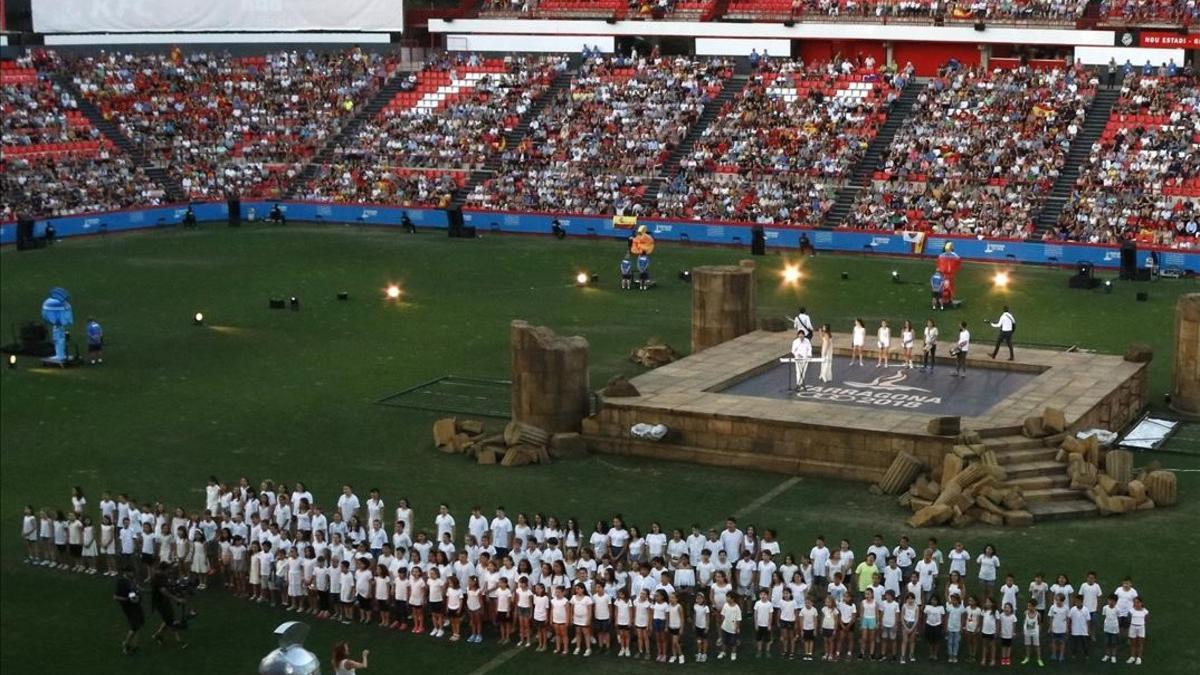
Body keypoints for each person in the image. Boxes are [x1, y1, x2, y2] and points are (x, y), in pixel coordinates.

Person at [150, 563, 188, 648]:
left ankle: (158, 635)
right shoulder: (158, 578)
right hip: (160, 602)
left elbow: (168, 587)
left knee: (168, 619)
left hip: (164, 601)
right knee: (171, 621)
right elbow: (164, 591)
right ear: (164, 569)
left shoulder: (163, 576)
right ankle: (179, 641)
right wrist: (177, 599)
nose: (169, 571)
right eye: (168, 569)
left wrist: (177, 593)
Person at [114, 566, 145, 655]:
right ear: (126, 572)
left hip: (137, 605)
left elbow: (137, 589)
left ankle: (135, 646)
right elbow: (115, 597)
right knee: (134, 626)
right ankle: (126, 644)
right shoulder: (121, 582)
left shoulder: (132, 580)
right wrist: (128, 599)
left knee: (138, 625)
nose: (133, 574)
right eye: (131, 572)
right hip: (129, 607)